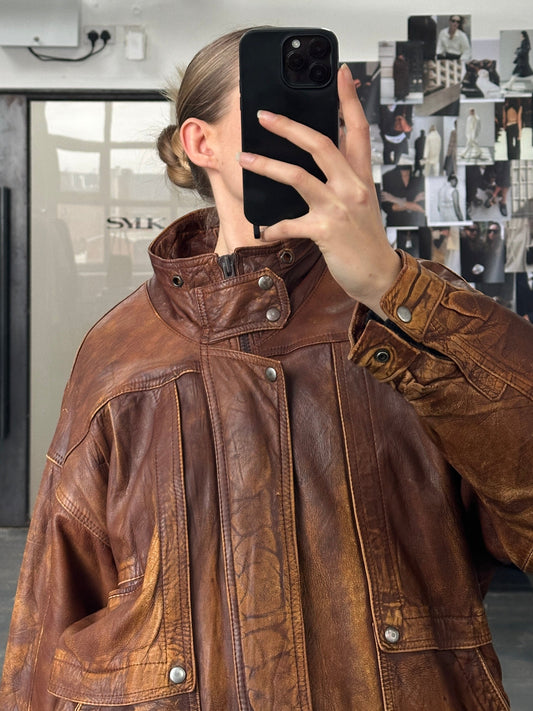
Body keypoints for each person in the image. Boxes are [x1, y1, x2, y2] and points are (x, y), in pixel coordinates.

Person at [2, 27, 533, 711]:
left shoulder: (412, 315)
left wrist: (395, 288)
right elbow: (51, 614)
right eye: (279, 110)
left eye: (324, 114)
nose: (310, 134)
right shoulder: (121, 349)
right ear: (200, 142)